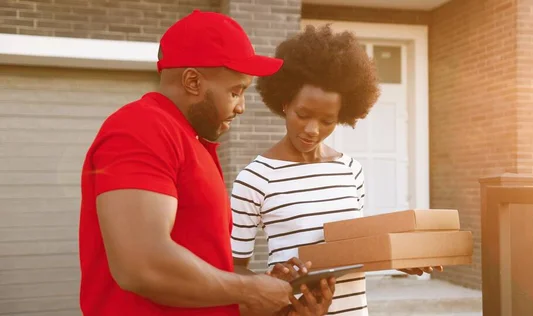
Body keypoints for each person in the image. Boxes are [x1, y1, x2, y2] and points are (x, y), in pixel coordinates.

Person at [78, 10, 328, 316]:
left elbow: (204, 280)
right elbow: (141, 264)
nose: (241, 107)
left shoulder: (192, 142)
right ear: (193, 81)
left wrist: (272, 292)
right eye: (236, 91)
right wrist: (249, 289)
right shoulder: (141, 128)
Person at [230, 24, 442, 316]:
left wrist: (396, 258)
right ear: (284, 102)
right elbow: (232, 270)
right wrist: (274, 284)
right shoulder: (255, 178)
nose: (312, 130)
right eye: (302, 115)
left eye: (327, 120)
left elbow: (351, 249)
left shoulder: (350, 170)